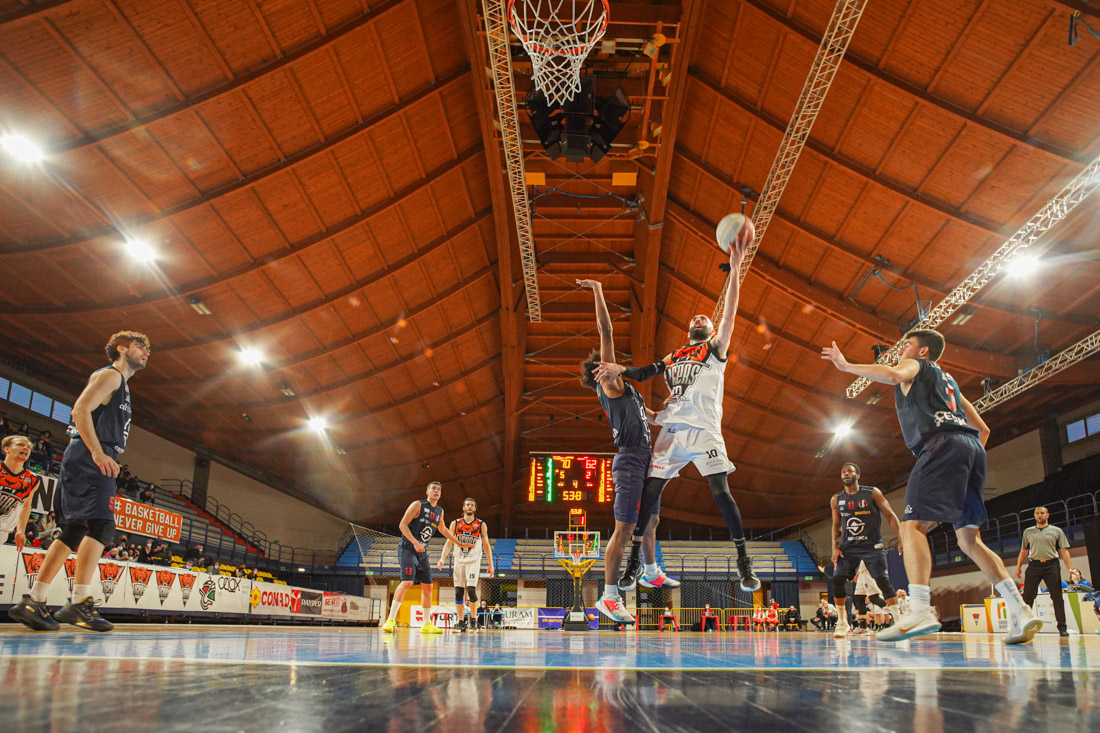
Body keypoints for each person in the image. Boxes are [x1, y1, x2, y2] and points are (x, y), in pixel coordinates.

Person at [822, 329, 1040, 644]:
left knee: (912, 526)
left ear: (923, 351)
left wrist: (846, 366)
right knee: (969, 541)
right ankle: (1021, 610)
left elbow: (896, 374)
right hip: (972, 449)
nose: (901, 350)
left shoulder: (917, 366)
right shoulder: (948, 381)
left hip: (941, 445)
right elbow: (983, 429)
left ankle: (921, 608)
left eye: (907, 345)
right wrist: (965, 456)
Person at [596, 235, 760, 593]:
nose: (700, 316)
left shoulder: (715, 349)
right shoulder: (674, 356)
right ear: (689, 331)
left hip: (704, 432)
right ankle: (636, 564)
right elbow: (644, 372)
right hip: (672, 432)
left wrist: (734, 270)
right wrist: (621, 370)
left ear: (712, 330)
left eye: (706, 317)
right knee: (650, 495)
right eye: (695, 317)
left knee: (720, 492)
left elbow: (730, 310)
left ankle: (744, 562)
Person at [10, 331, 151, 633]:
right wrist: (98, 451)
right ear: (121, 348)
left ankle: (39, 600)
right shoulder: (110, 376)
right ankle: (74, 602)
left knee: (80, 528)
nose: (147, 351)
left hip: (92, 454)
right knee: (99, 526)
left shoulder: (121, 386)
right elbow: (79, 410)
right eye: (141, 346)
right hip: (89, 454)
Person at [576, 279, 673, 627]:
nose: (605, 366)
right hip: (630, 458)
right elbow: (606, 330)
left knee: (652, 521)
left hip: (647, 459)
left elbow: (651, 419)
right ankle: (610, 596)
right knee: (625, 529)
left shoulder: (631, 391)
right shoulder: (612, 384)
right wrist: (599, 289)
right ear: (598, 376)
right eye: (601, 367)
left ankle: (650, 572)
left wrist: (668, 414)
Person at [381, 481, 471, 634]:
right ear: (427, 492)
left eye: (439, 489)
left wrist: (458, 542)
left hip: (422, 552)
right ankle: (390, 620)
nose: (436, 491)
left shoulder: (440, 511)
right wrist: (415, 542)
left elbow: (442, 529)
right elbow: (402, 525)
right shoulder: (418, 505)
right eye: (433, 489)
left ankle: (426, 623)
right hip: (408, 548)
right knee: (407, 582)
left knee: (428, 586)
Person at [829, 462, 903, 638]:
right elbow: (836, 524)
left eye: (850, 471)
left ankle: (900, 623)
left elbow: (890, 515)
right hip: (849, 547)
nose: (846, 474)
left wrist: (901, 537)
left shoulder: (872, 493)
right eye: (843, 472)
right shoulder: (836, 499)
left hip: (872, 546)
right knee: (838, 579)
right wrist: (834, 546)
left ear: (857, 476)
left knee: (882, 581)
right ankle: (842, 622)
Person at [436, 496, 495, 632]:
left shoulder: (481, 524)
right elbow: (449, 542)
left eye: (472, 505)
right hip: (458, 560)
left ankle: (473, 621)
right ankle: (461, 622)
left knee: (471, 591)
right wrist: (442, 558)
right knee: (458, 592)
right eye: (467, 505)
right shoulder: (455, 524)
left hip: (473, 561)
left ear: (475, 508)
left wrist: (491, 564)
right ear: (463, 508)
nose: (469, 507)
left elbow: (486, 545)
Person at [1015, 506, 1073, 637]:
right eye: (1037, 513)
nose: (1039, 515)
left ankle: (1062, 628)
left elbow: (1064, 551)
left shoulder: (1056, 531)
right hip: (1034, 565)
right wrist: (1018, 567)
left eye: (1042, 513)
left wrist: (1070, 568)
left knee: (1057, 597)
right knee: (1027, 597)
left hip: (1051, 565)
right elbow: (1023, 551)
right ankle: (1023, 626)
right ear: (1034, 516)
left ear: (1047, 515)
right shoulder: (1028, 532)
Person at [0, 435, 45, 554]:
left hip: (2, 530)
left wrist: (20, 531)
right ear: (6, 449)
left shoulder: (32, 479)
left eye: (29, 447)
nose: (26, 448)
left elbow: (26, 506)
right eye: (20, 444)